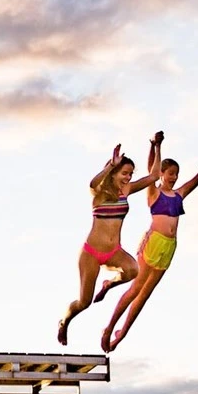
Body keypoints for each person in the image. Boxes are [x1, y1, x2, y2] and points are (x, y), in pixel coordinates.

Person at [100, 127, 198, 352]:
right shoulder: (154, 192)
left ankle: (121, 335)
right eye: (171, 173)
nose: (174, 177)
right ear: (163, 174)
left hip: (169, 248)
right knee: (135, 289)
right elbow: (151, 169)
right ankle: (109, 327)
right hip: (153, 243)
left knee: (144, 296)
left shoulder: (179, 194)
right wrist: (156, 145)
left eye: (176, 174)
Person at [57, 135, 162, 346]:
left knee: (133, 270)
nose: (128, 178)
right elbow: (93, 183)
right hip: (91, 253)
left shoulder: (127, 190)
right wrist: (110, 166)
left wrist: (156, 146)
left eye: (130, 174)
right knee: (84, 302)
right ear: (114, 173)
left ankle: (108, 284)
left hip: (114, 252)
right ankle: (65, 321)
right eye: (124, 173)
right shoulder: (99, 193)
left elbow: (154, 176)